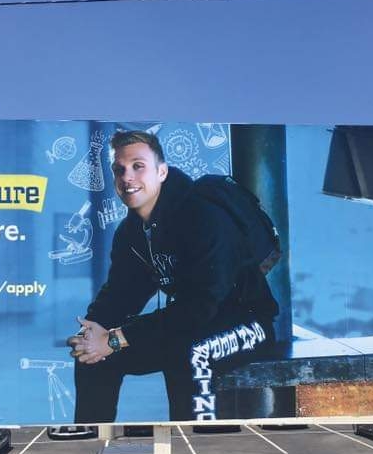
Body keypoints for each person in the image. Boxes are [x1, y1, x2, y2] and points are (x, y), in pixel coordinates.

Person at [67, 130, 279, 422]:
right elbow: (120, 294)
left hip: (248, 324)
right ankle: (90, 442)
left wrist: (116, 338)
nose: (127, 177)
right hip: (192, 323)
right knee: (93, 358)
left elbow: (200, 306)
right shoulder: (131, 233)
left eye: (138, 166)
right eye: (119, 169)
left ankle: (195, 442)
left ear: (162, 172)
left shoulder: (204, 216)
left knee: (190, 352)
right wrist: (93, 332)